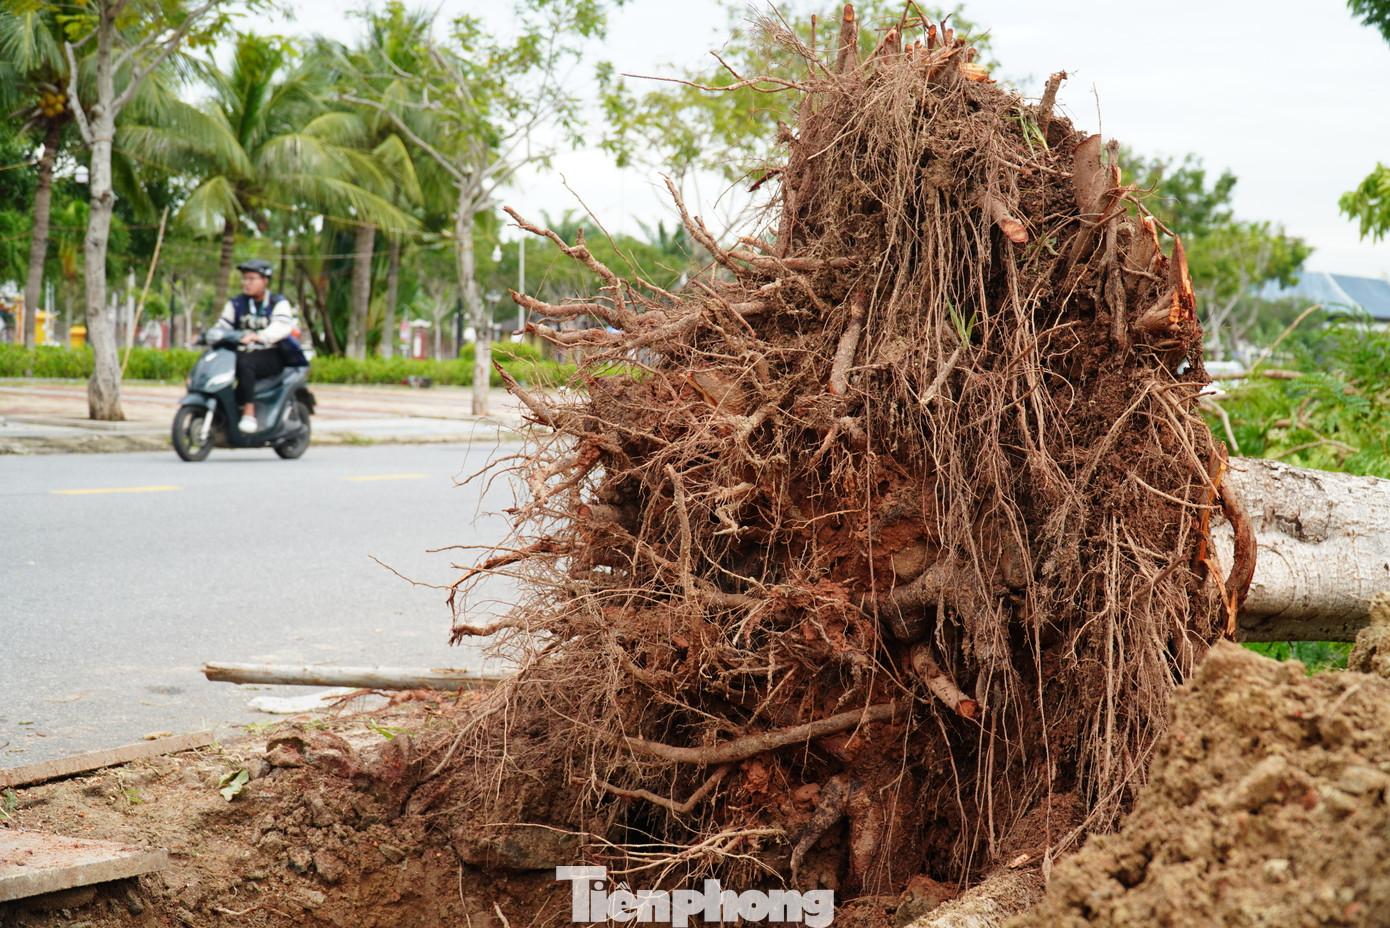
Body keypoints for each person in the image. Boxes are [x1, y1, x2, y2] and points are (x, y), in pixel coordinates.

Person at [218, 258, 296, 433]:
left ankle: (249, 412)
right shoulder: (236, 303)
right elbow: (223, 326)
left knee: (246, 363)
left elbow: (282, 327)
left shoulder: (277, 302)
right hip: (241, 352)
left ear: (265, 281)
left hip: (271, 354)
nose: (246, 283)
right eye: (244, 279)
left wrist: (260, 336)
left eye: (251, 279)